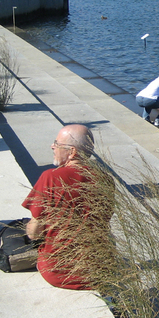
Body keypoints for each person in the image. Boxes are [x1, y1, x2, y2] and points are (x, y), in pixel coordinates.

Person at [22, 124, 113, 290]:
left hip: (60, 272)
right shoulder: (106, 180)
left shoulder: (50, 177)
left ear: (72, 152)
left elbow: (34, 233)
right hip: (100, 269)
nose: (52, 146)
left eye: (56, 144)